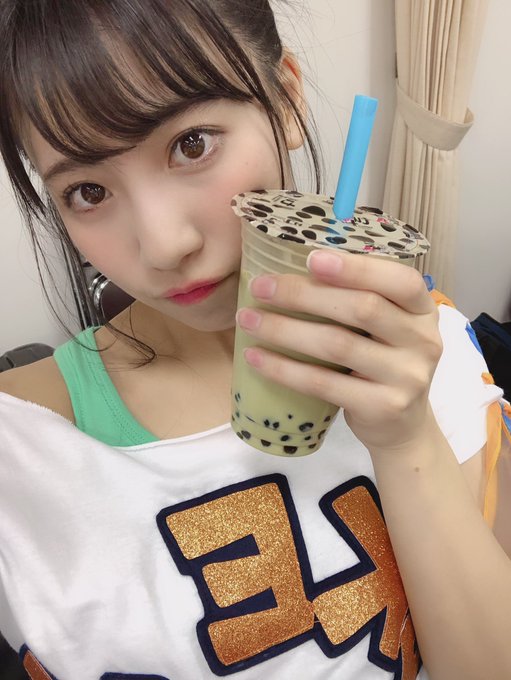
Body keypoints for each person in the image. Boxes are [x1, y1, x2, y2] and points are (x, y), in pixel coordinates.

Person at [0, 1, 510, 679]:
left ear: (287, 99)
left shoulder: (424, 354)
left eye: (191, 144)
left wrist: (406, 438)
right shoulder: (23, 446)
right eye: (88, 191)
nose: (164, 245)